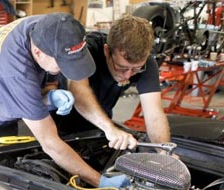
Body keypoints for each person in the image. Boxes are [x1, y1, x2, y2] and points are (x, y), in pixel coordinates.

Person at [0, 13, 137, 188]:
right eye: (62, 64)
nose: (63, 70)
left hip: (3, 105)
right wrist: (99, 181)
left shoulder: (49, 29)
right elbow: (50, 143)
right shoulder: (17, 74)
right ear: (38, 53)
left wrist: (49, 94)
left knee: (0, 174)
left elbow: (47, 79)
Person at [50, 14, 171, 147]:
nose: (128, 75)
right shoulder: (85, 51)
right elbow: (79, 92)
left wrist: (163, 151)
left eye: (136, 69)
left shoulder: (147, 64)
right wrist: (110, 129)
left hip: (97, 125)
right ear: (107, 50)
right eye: (121, 67)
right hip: (53, 125)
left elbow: (154, 114)